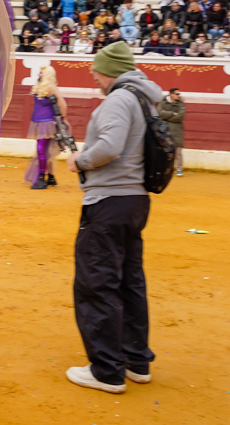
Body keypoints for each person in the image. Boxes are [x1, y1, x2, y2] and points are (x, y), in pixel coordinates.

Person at [64, 41, 160, 394]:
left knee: (98, 282)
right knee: (129, 281)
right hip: (134, 200)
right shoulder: (144, 98)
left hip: (108, 201)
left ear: (111, 71)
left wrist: (79, 160)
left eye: (97, 70)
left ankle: (106, 370)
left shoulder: (119, 99)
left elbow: (109, 146)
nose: (93, 75)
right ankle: (136, 361)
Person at [24, 65, 68, 190]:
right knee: (46, 150)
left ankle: (41, 178)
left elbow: (62, 105)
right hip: (39, 121)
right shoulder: (40, 86)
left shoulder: (51, 88)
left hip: (47, 123)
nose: (39, 74)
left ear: (47, 75)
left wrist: (61, 120)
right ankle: (51, 177)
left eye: (41, 72)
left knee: (40, 149)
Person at [157, 88, 185, 176]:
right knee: (165, 151)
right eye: (177, 94)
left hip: (177, 130)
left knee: (178, 152)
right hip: (166, 130)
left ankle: (179, 169)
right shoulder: (163, 103)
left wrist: (166, 116)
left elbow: (180, 117)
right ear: (171, 94)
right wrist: (172, 113)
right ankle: (166, 169)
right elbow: (160, 114)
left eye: (179, 94)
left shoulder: (181, 104)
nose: (179, 95)